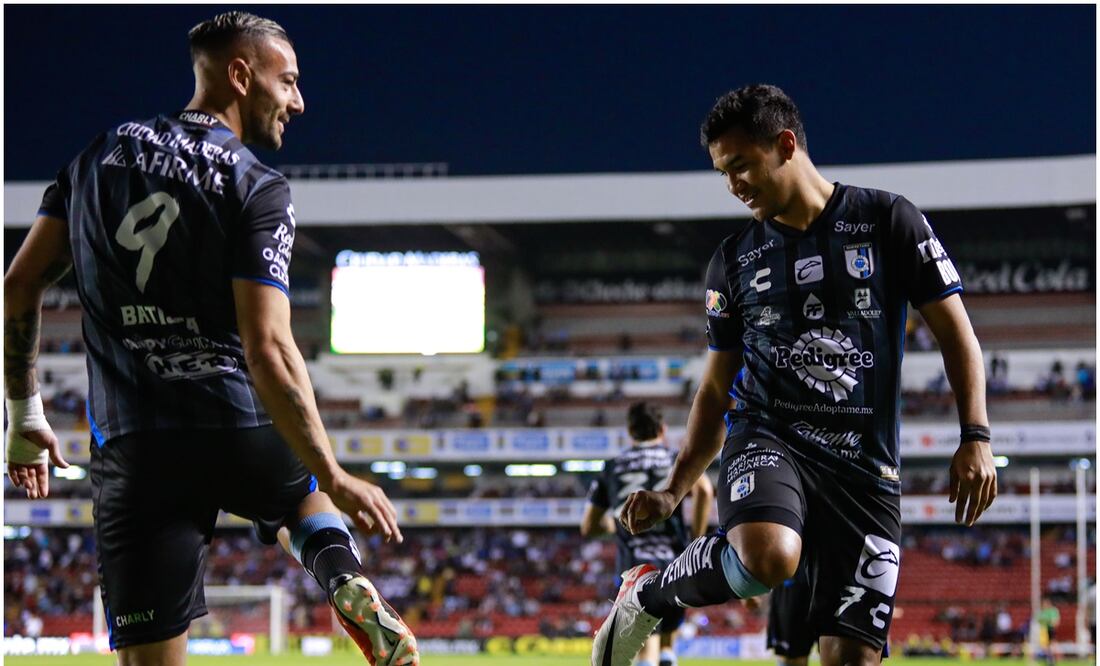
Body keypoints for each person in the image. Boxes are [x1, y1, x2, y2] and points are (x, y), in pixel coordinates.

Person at [4, 12, 418, 666]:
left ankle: (331, 558)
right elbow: (269, 348)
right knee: (301, 493)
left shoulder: (93, 159)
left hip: (137, 449)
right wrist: (335, 474)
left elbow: (18, 288)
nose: (298, 102)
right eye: (288, 82)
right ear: (239, 74)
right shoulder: (255, 184)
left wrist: (25, 415)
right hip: (238, 426)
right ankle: (341, 574)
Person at [591, 84, 996, 666]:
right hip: (769, 439)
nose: (733, 185)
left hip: (867, 472)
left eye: (741, 167)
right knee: (768, 558)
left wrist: (975, 435)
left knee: (849, 659)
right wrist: (674, 489)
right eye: (723, 173)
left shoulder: (888, 219)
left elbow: (958, 333)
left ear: (785, 145)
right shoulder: (732, 260)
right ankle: (647, 594)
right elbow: (713, 388)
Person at [582, 402, 714, 666]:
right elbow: (705, 491)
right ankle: (667, 656)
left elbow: (589, 526)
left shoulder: (613, 466)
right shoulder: (674, 459)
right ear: (662, 429)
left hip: (635, 564)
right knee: (667, 641)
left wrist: (616, 524)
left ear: (630, 432)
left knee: (645, 643)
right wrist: (695, 539)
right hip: (676, 560)